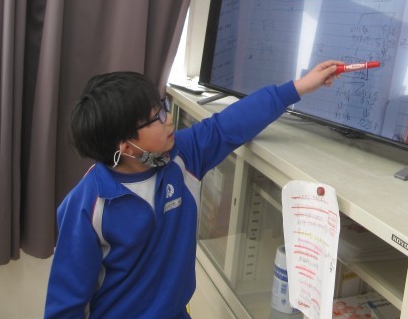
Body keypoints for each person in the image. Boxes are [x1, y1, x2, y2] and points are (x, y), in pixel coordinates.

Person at [44, 60, 341, 318]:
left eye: (163, 107)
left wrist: (298, 88)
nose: (168, 119)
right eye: (157, 117)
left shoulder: (181, 156)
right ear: (128, 147)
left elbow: (229, 124)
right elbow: (66, 300)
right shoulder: (87, 205)